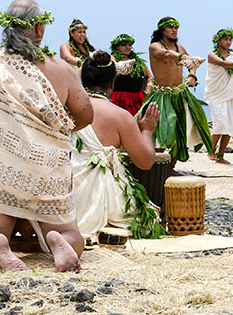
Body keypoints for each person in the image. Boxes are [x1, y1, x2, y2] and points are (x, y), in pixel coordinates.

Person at [0, 0, 93, 272]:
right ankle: (58, 240)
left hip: (1, 168)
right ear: (39, 29)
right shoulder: (60, 69)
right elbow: (86, 116)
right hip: (46, 169)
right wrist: (50, 133)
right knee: (74, 238)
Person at [71, 51, 164, 240]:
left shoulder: (66, 109)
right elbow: (145, 162)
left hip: (67, 191)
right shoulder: (120, 116)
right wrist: (146, 130)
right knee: (146, 218)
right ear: (113, 83)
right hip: (103, 194)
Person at [142, 17, 214, 175]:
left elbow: (191, 66)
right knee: (160, 131)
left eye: (176, 27)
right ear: (162, 30)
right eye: (170, 27)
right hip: (161, 95)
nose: (174, 30)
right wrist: (185, 58)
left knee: (180, 130)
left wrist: (192, 75)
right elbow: (166, 54)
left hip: (180, 94)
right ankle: (153, 166)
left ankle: (171, 167)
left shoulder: (180, 47)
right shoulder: (154, 47)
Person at [205, 28, 233, 164]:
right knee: (220, 123)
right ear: (218, 41)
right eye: (225, 39)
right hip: (216, 93)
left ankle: (221, 155)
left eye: (230, 39)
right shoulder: (212, 55)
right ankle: (210, 151)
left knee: (230, 123)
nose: (228, 42)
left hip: (231, 92)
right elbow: (223, 64)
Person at [109, 34, 152, 115]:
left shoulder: (138, 61)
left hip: (137, 99)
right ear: (116, 46)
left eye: (130, 45)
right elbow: (115, 65)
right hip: (119, 99)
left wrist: (147, 93)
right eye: (124, 45)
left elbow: (149, 76)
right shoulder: (112, 59)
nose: (128, 47)